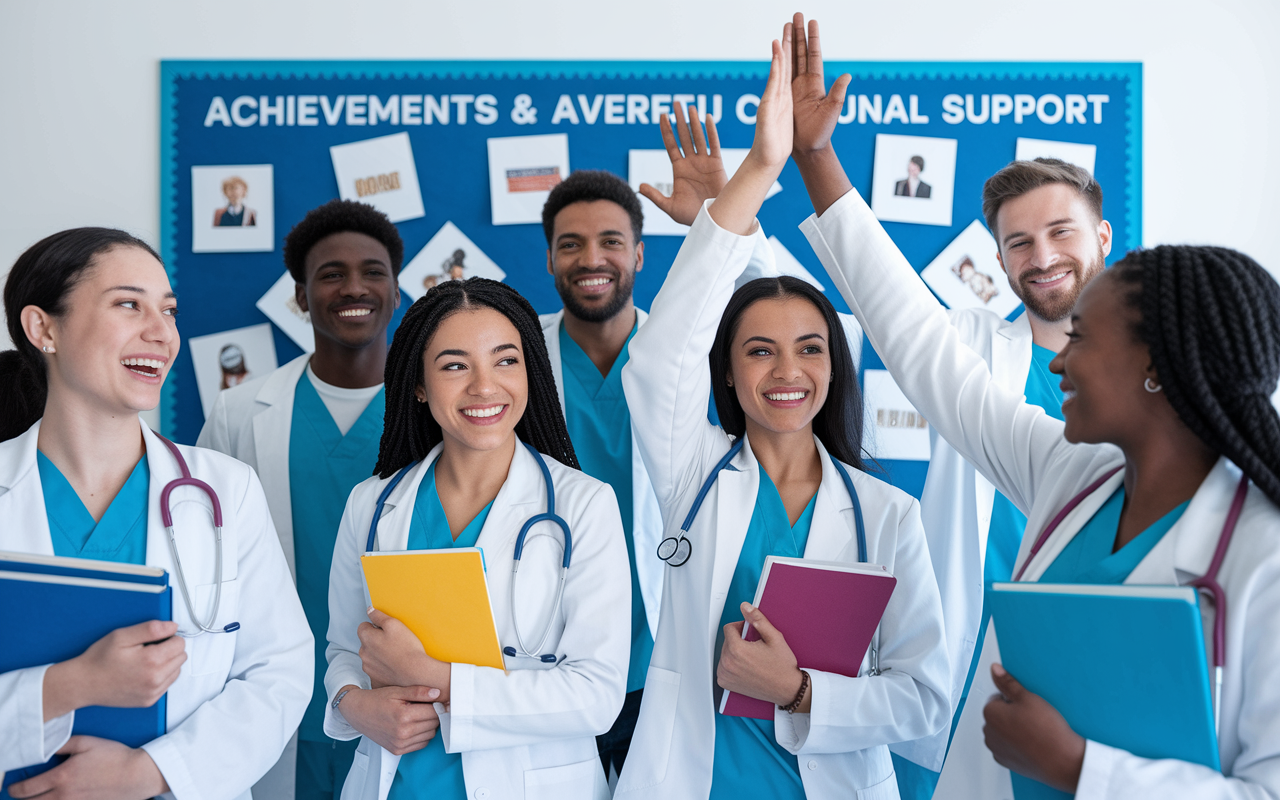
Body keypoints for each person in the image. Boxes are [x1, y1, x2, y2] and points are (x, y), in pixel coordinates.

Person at [792, 32, 1280, 800]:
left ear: (1155, 366)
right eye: (1017, 241)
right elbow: (914, 335)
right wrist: (816, 159)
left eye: (1084, 339)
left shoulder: (1263, 551)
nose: (1061, 362)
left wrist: (1081, 770)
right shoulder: (1069, 471)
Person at [614, 20, 950, 800]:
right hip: (696, 778)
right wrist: (762, 168)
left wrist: (799, 692)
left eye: (811, 348)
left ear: (835, 366)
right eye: (758, 351)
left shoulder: (887, 514)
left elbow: (924, 695)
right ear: (725, 375)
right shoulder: (691, 471)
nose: (788, 371)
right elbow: (660, 359)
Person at [0, 227, 312, 799]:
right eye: (128, 304)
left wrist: (149, 773)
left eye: (168, 310)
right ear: (43, 327)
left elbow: (279, 672)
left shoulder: (225, 489)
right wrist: (67, 686)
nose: (161, 333)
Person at [322, 277, 630, 800]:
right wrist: (354, 705)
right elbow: (344, 649)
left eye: (506, 361)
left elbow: (595, 696)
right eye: (455, 365)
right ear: (419, 384)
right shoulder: (371, 504)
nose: (484, 386)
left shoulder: (584, 505)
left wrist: (433, 677)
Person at [197, 199, 404, 800]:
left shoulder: (437, 413)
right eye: (330, 274)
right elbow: (204, 561)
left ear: (397, 291)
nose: (353, 287)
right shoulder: (240, 413)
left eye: (372, 271)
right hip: (274, 694)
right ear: (300, 296)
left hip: (400, 697)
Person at [926, 158, 1112, 799]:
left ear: (1103, 237)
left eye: (1062, 232)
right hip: (971, 660)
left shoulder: (1159, 380)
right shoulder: (965, 346)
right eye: (1019, 243)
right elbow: (856, 316)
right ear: (1001, 262)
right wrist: (737, 232)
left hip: (1097, 655)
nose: (1043, 256)